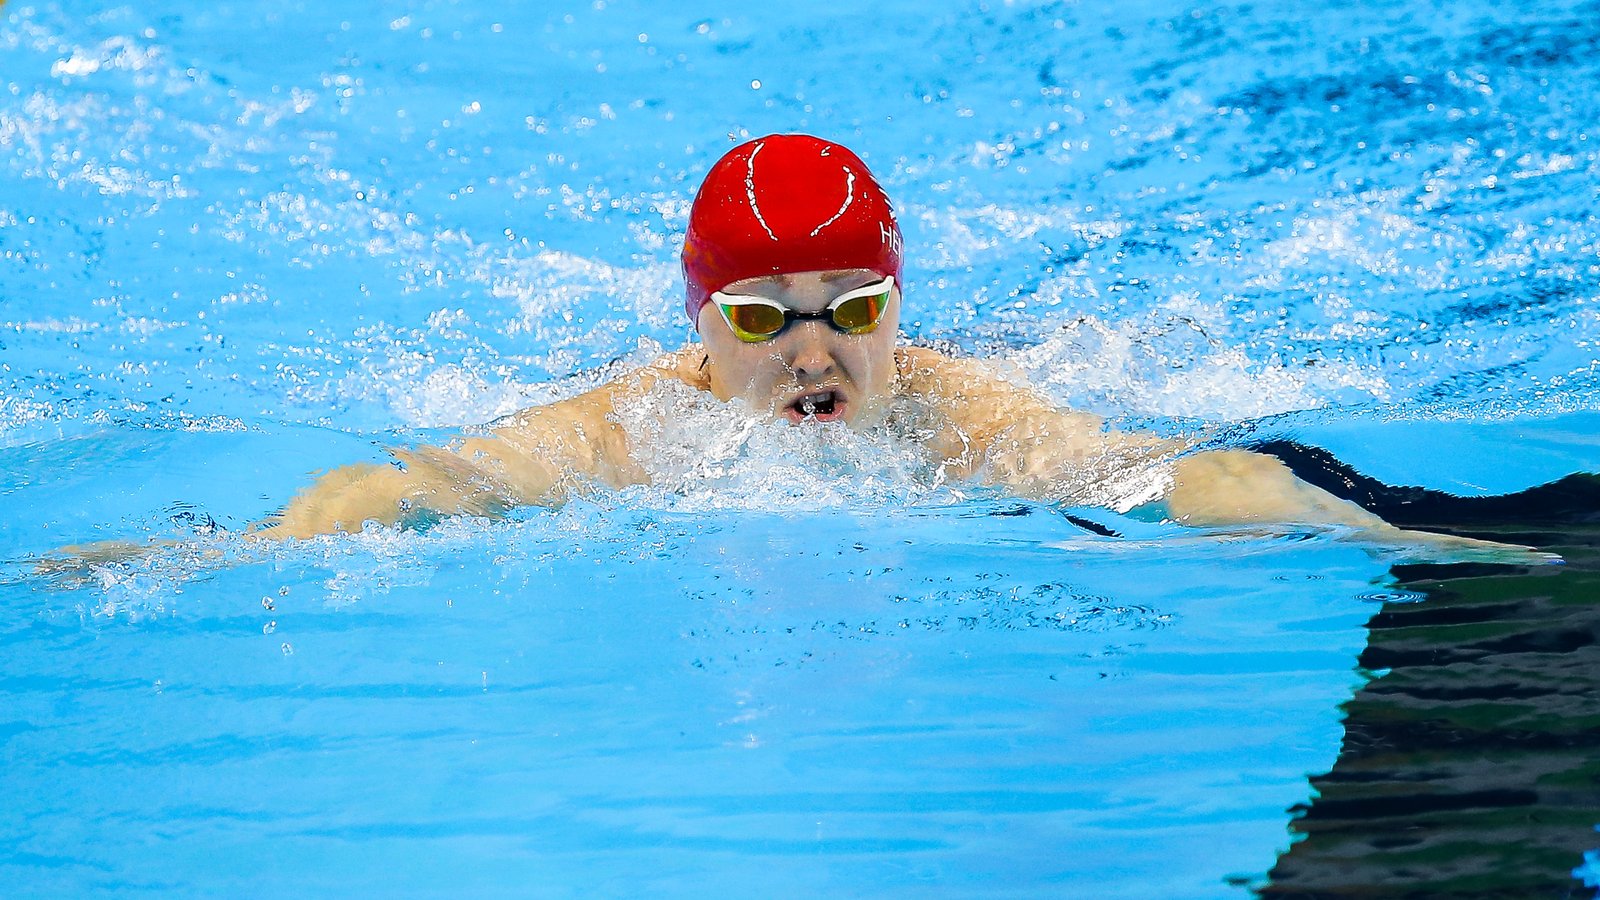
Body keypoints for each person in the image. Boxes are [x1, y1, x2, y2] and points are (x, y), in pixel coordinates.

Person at [245, 133, 1530, 559]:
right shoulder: (635, 426)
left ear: (896, 306)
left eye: (852, 307)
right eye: (762, 316)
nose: (813, 352)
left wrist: (1398, 542)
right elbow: (427, 483)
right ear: (699, 326)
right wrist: (212, 556)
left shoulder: (957, 415)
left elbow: (1176, 472)